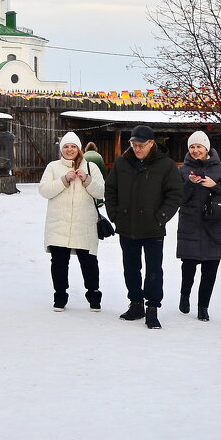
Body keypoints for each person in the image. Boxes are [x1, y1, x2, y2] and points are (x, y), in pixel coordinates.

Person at [104, 124, 184, 329]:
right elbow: (110, 190)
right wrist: (115, 215)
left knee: (153, 270)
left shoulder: (165, 165)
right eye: (133, 144)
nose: (137, 148)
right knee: (131, 268)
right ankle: (136, 303)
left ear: (151, 143)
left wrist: (161, 217)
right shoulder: (122, 163)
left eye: (141, 145)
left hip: (153, 227)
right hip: (127, 225)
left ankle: (152, 308)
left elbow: (175, 194)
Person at [38, 131, 106, 311]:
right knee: (59, 262)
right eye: (66, 147)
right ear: (61, 149)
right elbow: (44, 190)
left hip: (85, 223)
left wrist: (86, 179)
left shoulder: (91, 167)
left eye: (73, 146)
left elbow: (100, 192)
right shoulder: (53, 167)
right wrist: (63, 179)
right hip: (58, 223)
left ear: (79, 149)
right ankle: (60, 297)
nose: (69, 150)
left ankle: (94, 296)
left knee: (89, 262)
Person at [176, 131, 221, 322]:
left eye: (199, 146)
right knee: (189, 266)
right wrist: (190, 184)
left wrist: (214, 185)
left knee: (211, 268)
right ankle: (185, 296)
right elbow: (178, 198)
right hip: (190, 223)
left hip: (214, 225)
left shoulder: (220, 169)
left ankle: (203, 307)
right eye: (192, 147)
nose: (195, 150)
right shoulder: (183, 170)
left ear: (206, 148)